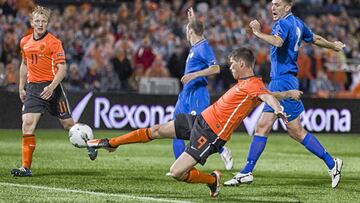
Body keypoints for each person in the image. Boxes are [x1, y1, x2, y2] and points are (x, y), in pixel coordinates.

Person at [87, 48, 300, 197]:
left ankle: (212, 180)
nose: (230, 68)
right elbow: (268, 93)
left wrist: (279, 109)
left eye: (233, 64)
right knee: (157, 130)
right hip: (201, 120)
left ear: (242, 64)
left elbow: (267, 97)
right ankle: (111, 143)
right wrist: (287, 93)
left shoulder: (253, 85)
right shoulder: (249, 84)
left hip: (211, 134)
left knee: (177, 172)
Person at [224, 0, 345, 188]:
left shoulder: (282, 24)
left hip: (283, 80)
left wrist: (257, 32)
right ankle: (246, 171)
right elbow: (315, 39)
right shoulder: (298, 23)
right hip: (281, 79)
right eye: (272, 4)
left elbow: (278, 41)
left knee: (295, 131)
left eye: (278, 4)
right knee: (263, 126)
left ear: (287, 7)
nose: (273, 7)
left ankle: (332, 163)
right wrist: (333, 46)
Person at [11, 6, 77, 177]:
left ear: (48, 23)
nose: (40, 24)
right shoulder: (25, 42)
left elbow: (62, 69)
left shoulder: (54, 42)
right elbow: (24, 65)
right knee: (27, 124)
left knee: (69, 126)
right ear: (32, 23)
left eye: (44, 21)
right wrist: (21, 87)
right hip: (33, 88)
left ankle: (90, 144)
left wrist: (52, 87)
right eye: (37, 21)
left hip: (52, 87)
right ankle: (26, 167)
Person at [172, 7, 233, 170]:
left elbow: (216, 69)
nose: (185, 32)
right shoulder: (195, 46)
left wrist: (194, 75)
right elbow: (196, 29)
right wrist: (192, 20)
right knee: (175, 129)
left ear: (190, 31)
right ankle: (181, 167)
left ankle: (222, 149)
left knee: (198, 130)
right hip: (185, 94)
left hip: (197, 94)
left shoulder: (203, 47)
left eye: (187, 29)